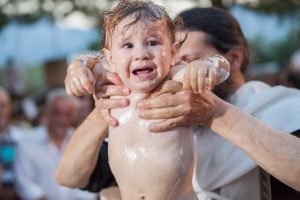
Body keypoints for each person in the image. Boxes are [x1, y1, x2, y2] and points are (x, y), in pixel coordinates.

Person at [57, 5, 300, 199]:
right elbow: (70, 177)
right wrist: (102, 109)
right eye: (129, 46)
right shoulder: (146, 113)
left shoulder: (279, 109)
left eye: (188, 60)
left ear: (234, 58)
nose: (145, 58)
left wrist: (213, 113)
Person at [59, 1, 230, 200]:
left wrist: (208, 65)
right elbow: (86, 58)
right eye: (128, 45)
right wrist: (77, 68)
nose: (141, 54)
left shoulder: (176, 77)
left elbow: (222, 66)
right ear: (111, 58)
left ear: (173, 52)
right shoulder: (111, 78)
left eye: (153, 43)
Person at [14, 88, 97, 200]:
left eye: (67, 114)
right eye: (57, 112)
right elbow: (24, 182)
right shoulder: (27, 141)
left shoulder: (80, 141)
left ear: (73, 116)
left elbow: (88, 178)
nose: (61, 119)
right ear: (47, 112)